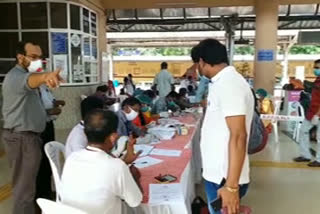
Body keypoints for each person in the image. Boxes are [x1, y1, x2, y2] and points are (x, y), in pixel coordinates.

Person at [2, 41, 63, 214]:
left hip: (30, 136)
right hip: (22, 138)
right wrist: (45, 76)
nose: (38, 61)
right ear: (20, 57)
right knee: (24, 190)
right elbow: (31, 80)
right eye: (33, 57)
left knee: (29, 185)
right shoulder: (16, 76)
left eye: (40, 58)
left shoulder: (25, 75)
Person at [197, 39, 253, 214]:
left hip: (223, 177)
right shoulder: (221, 82)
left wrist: (231, 187)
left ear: (201, 61)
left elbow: (239, 135)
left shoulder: (229, 84)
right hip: (219, 173)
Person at [61, 109, 143, 214]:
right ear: (113, 137)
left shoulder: (72, 158)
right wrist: (135, 175)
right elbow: (135, 201)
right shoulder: (116, 166)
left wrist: (124, 162)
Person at [36, 83, 65, 200]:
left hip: (48, 126)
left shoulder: (44, 87)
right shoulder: (34, 88)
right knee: (42, 161)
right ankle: (40, 194)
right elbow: (33, 110)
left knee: (48, 160)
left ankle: (47, 190)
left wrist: (56, 102)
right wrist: (49, 112)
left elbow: (47, 102)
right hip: (40, 128)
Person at [293, 59, 320, 167]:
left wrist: (318, 115)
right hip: (311, 112)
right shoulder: (317, 80)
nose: (316, 70)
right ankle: (305, 155)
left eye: (318, 68)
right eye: (315, 67)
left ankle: (319, 160)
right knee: (303, 131)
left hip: (317, 113)